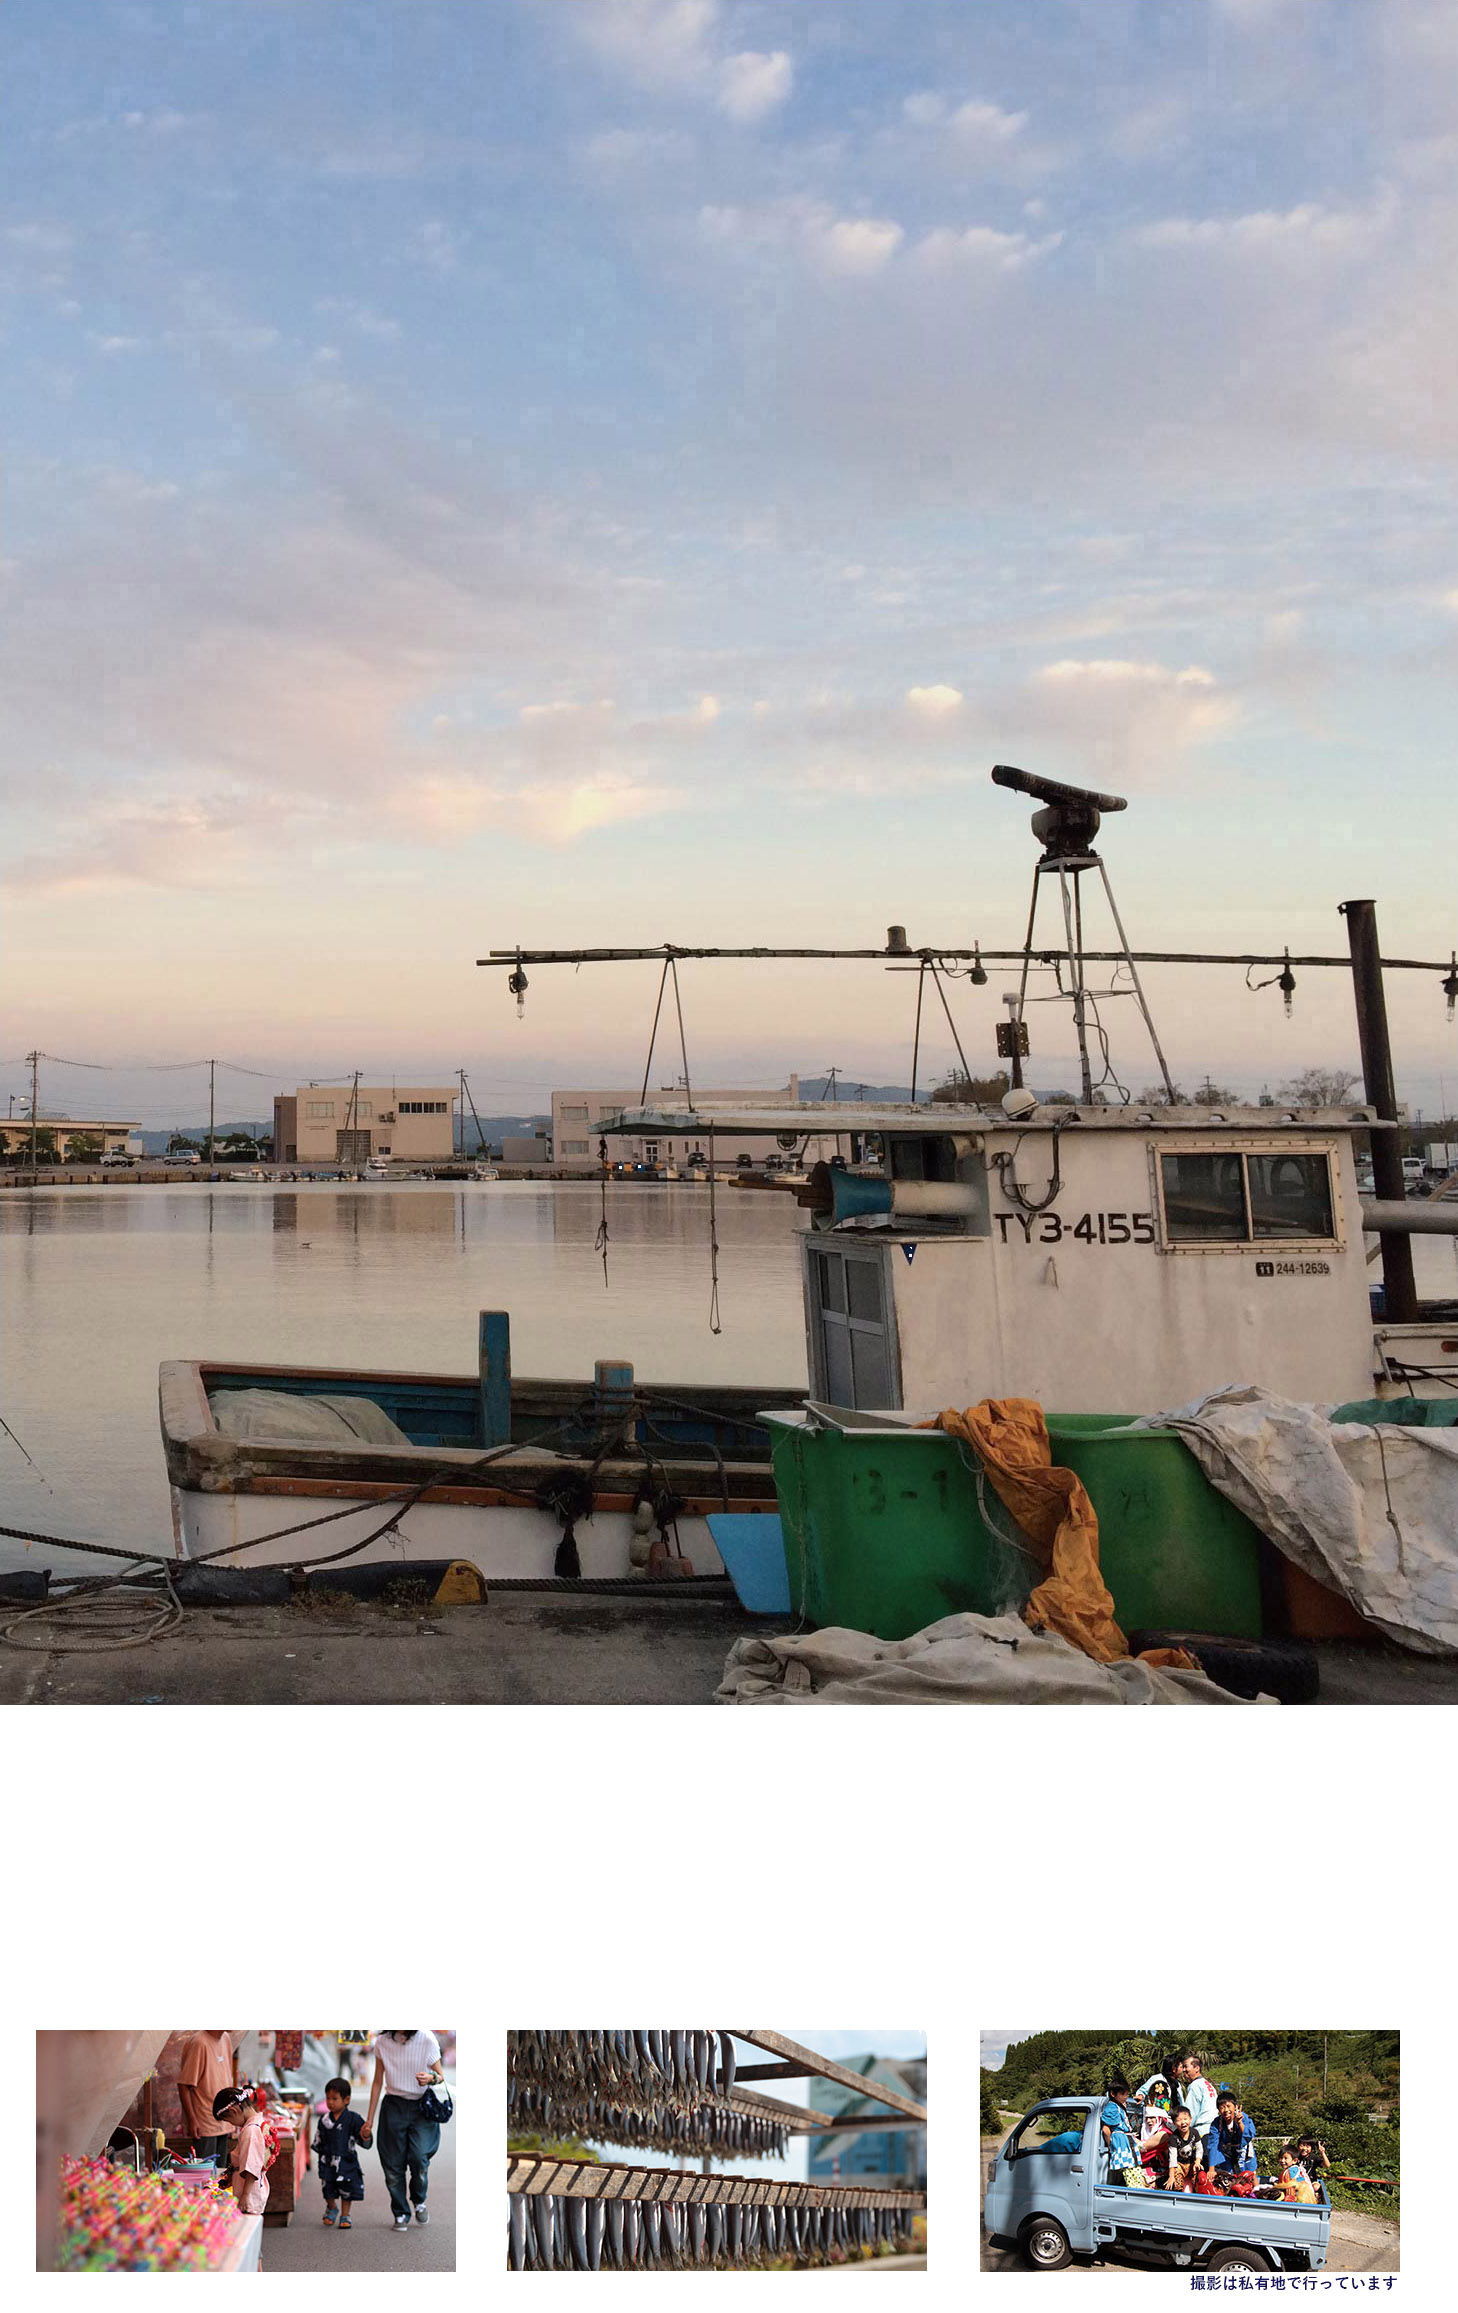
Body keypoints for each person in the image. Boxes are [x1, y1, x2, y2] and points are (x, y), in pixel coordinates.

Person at [364, 2031, 446, 2231]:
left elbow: (440, 2077)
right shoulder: (382, 2042)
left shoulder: (427, 2039)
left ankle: (419, 2201)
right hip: (393, 2106)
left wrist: (430, 2078)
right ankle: (400, 2212)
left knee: (419, 2158)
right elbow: (377, 2081)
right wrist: (369, 2119)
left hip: (421, 2108)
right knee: (392, 2165)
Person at [315, 2077, 372, 2230]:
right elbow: (318, 2141)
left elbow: (363, 2139)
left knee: (347, 2190)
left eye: (335, 2098)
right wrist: (320, 2157)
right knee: (328, 2188)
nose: (330, 2102)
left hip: (347, 2161)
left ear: (346, 2100)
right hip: (327, 2161)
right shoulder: (324, 2120)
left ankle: (345, 2214)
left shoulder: (354, 2119)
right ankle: (332, 2207)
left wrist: (365, 2133)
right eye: (328, 2098)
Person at [176, 2031, 238, 2165]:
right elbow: (184, 2085)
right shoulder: (199, 2043)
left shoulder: (225, 2038)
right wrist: (192, 2119)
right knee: (205, 2175)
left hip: (224, 2119)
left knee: (220, 2175)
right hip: (204, 2121)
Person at [212, 2087, 271, 2216]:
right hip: (251, 2188)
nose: (232, 2124)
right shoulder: (257, 2123)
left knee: (247, 2228)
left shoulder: (250, 2131)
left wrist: (245, 2195)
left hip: (249, 2192)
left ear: (233, 2111)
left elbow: (252, 2167)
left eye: (228, 2120)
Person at [1206, 2087, 1258, 2185]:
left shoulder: (1243, 2117)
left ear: (1235, 2106)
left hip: (1243, 2149)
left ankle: (1256, 2193)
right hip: (1227, 2152)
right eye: (1222, 2107)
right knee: (1228, 2177)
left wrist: (1240, 2123)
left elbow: (1249, 2134)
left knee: (1250, 2175)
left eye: (1228, 2106)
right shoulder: (1217, 2123)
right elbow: (1213, 2144)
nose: (1226, 2110)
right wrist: (1211, 2168)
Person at [1175, 2050, 1219, 2162]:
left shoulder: (1195, 2086)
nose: (1184, 2070)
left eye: (1186, 2066)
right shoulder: (1209, 2085)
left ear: (1197, 2068)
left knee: (1201, 2171)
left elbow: (1190, 2114)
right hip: (1214, 2131)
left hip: (1202, 2133)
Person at [1100, 2076, 1139, 2182]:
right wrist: (1110, 2144)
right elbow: (1106, 2129)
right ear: (1113, 2094)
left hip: (1126, 2140)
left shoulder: (1119, 2106)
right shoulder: (1112, 2107)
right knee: (1128, 2169)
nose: (1126, 2097)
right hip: (1121, 2142)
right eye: (1123, 2094)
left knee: (1131, 2169)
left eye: (1127, 2094)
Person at [1165, 2106, 1200, 2192]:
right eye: (1178, 2120)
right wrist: (1171, 2176)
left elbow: (1199, 2148)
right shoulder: (1174, 2138)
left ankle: (1197, 2195)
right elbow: (1172, 2157)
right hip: (1179, 2164)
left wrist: (1198, 2161)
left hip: (1191, 2162)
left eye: (1185, 2119)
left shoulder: (1194, 2133)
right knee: (1176, 2184)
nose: (1183, 2122)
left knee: (1198, 2178)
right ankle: (1178, 2197)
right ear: (1174, 2123)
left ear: (1190, 2119)